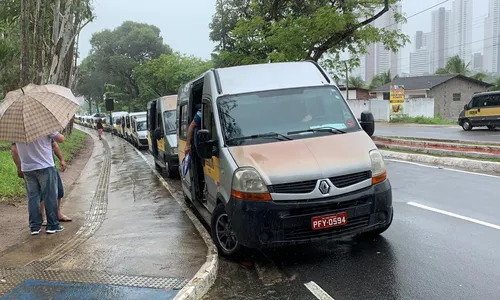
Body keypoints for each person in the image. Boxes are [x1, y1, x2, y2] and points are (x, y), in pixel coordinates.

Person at [11, 132, 65, 235]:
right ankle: (53, 225)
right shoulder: (44, 126)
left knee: (33, 198)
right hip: (45, 166)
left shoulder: (17, 130)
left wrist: (19, 167)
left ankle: (34, 227)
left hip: (27, 168)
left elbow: (14, 150)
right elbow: (60, 139)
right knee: (49, 196)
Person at [40, 140, 72, 226]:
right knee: (43, 192)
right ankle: (44, 216)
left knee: (59, 189)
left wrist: (61, 159)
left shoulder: (45, 131)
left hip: (50, 165)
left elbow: (55, 144)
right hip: (39, 168)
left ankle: (58, 212)